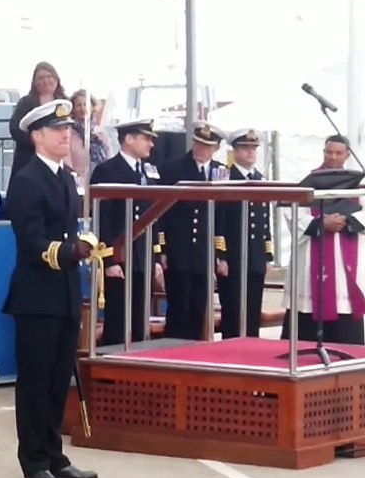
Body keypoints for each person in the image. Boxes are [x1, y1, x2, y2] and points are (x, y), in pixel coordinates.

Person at [2, 98, 98, 478]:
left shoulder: (64, 177)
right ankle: (34, 461)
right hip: (37, 295)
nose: (66, 135)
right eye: (58, 130)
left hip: (64, 293)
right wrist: (68, 251)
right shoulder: (26, 180)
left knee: (60, 378)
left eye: (68, 130)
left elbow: (68, 228)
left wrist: (85, 245)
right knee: (35, 380)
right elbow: (31, 240)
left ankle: (54, 454)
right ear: (36, 136)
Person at [281, 136, 365, 345]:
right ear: (323, 152)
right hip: (312, 261)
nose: (333, 157)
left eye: (338, 153)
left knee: (345, 313)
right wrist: (321, 223)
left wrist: (347, 220)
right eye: (329, 152)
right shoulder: (309, 182)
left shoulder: (358, 187)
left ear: (347, 155)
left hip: (345, 265)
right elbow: (291, 211)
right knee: (308, 309)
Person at [90, 119, 163, 347]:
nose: (150, 144)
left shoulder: (150, 172)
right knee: (119, 319)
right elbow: (103, 219)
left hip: (143, 257)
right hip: (120, 258)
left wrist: (156, 257)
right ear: (129, 139)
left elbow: (155, 215)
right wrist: (110, 260)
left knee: (141, 319)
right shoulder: (107, 171)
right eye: (146, 138)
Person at [159, 123, 226, 340]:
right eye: (198, 144)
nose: (201, 149)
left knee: (199, 307)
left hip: (204, 251)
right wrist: (162, 249)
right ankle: (173, 353)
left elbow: (223, 217)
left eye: (207, 146)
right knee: (179, 307)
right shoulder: (172, 169)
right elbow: (161, 214)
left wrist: (220, 253)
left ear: (216, 148)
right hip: (179, 248)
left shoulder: (222, 172)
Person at [218, 128, 272, 339]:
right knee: (232, 308)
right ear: (235, 151)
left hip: (255, 255)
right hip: (234, 254)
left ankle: (252, 346)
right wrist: (220, 255)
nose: (250, 153)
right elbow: (219, 221)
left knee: (253, 308)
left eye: (253, 148)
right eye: (245, 148)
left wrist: (268, 255)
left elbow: (264, 222)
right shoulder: (226, 177)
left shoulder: (260, 179)